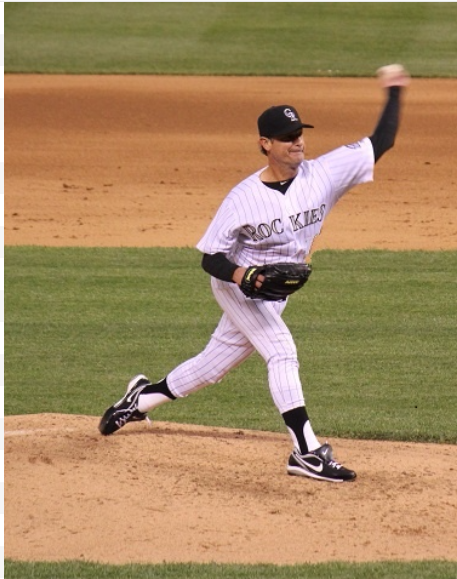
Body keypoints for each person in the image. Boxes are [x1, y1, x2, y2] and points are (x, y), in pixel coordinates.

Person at [99, 64, 410, 483]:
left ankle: (141, 399)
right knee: (281, 352)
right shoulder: (242, 198)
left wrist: (393, 91)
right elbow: (211, 257)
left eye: (299, 133)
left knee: (212, 367)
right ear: (265, 144)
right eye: (286, 137)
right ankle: (306, 451)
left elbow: (382, 141)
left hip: (273, 291)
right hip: (237, 287)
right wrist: (244, 276)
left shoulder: (323, 174)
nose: (297, 142)